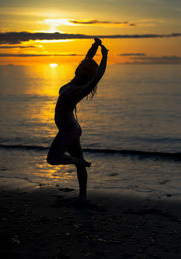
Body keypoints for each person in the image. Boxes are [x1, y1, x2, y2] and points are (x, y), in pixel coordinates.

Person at [47, 38, 108, 203]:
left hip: (69, 130)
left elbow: (98, 76)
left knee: (52, 159)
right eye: (80, 65)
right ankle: (83, 197)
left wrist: (105, 56)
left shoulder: (79, 90)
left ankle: (78, 162)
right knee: (77, 164)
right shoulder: (72, 83)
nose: (80, 66)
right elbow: (87, 59)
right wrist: (94, 47)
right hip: (71, 128)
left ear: (84, 74)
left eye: (82, 67)